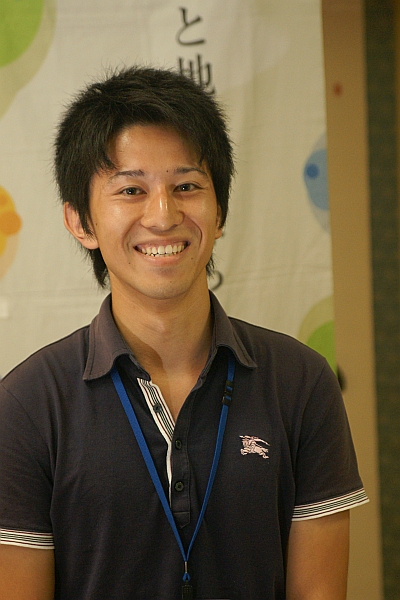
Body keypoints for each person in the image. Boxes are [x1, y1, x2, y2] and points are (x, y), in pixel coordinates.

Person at [0, 66, 368, 600]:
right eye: (131, 189)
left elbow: (319, 592)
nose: (163, 214)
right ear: (81, 221)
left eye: (187, 186)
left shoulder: (301, 382)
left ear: (220, 211)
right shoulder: (27, 404)